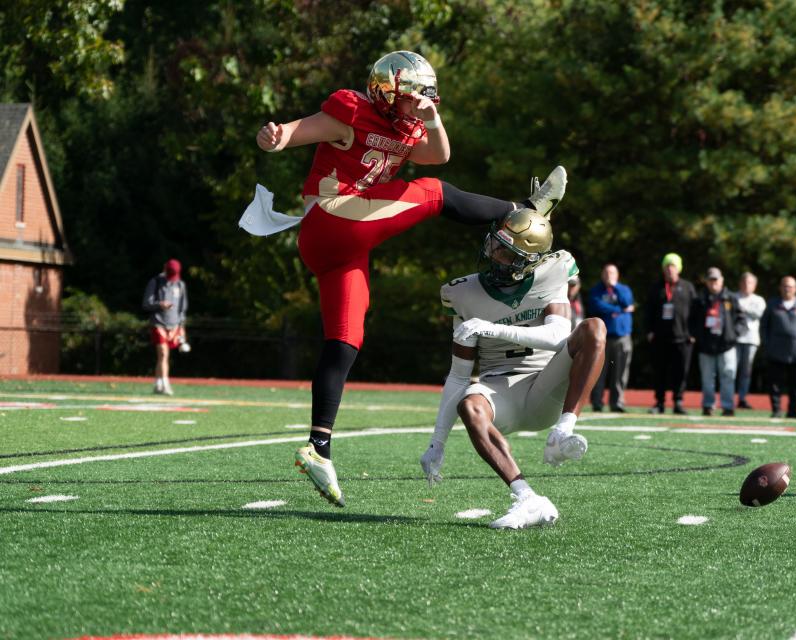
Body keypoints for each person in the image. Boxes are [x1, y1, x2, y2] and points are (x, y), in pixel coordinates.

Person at [249, 51, 568, 507]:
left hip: (348, 244)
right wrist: (274, 137)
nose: (419, 103)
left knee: (346, 337)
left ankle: (318, 447)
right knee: (434, 194)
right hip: (331, 217)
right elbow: (296, 133)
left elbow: (439, 154)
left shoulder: (408, 124)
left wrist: (432, 119)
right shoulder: (351, 110)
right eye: (414, 96)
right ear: (385, 94)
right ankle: (522, 208)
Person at [419, 209, 606, 529]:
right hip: (499, 388)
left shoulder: (552, 273)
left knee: (594, 329)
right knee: (470, 405)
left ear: (527, 262)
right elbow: (460, 374)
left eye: (506, 251)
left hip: (545, 384)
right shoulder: (463, 293)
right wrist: (438, 441)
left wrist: (493, 329)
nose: (494, 253)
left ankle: (563, 431)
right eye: (495, 243)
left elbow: (558, 336)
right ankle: (527, 498)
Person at [645, 253, 696, 414]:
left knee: (681, 372)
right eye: (667, 266)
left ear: (678, 268)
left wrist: (693, 333)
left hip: (683, 338)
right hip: (660, 338)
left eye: (672, 266)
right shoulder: (656, 288)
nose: (669, 270)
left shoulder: (688, 287)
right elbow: (648, 311)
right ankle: (659, 402)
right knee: (659, 371)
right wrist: (649, 331)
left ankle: (678, 402)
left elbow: (696, 312)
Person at [760, 276, 796, 418]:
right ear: (780, 287)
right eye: (784, 286)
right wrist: (767, 344)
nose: (787, 289)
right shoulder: (772, 304)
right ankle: (776, 410)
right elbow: (764, 326)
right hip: (776, 352)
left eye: (790, 286)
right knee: (775, 384)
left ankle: (793, 411)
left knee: (795, 386)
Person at [690, 267, 741, 416]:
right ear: (706, 282)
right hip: (706, 345)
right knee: (707, 379)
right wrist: (697, 336)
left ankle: (728, 406)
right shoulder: (699, 300)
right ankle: (708, 405)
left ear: (722, 280)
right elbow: (692, 321)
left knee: (728, 376)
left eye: (716, 280)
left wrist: (734, 334)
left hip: (726, 345)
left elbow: (740, 319)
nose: (713, 283)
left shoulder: (730, 298)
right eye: (711, 280)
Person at [588, 263, 634, 412]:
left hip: (622, 337)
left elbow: (628, 302)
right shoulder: (596, 290)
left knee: (620, 373)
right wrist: (619, 309)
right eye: (606, 273)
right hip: (602, 338)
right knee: (598, 372)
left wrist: (617, 288)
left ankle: (617, 403)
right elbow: (597, 306)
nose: (609, 276)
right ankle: (597, 401)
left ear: (617, 275)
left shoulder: (624, 289)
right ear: (602, 275)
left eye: (612, 273)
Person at [142, 259, 189, 396]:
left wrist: (181, 328)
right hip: (158, 322)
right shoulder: (155, 282)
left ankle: (158, 383)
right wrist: (159, 304)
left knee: (163, 357)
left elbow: (182, 309)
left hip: (173, 325)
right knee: (163, 353)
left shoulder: (180, 285)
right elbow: (146, 303)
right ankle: (165, 384)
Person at [735, 272, 765, 410]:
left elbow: (758, 314)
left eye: (750, 282)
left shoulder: (759, 300)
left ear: (755, 285)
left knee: (746, 371)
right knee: (730, 370)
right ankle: (728, 397)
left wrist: (742, 309)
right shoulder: (733, 297)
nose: (747, 285)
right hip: (734, 339)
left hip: (751, 339)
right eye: (745, 282)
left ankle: (742, 398)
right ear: (740, 283)